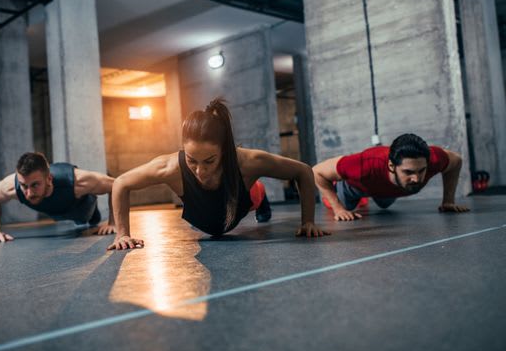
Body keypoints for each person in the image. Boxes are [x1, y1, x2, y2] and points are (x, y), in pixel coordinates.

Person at [107, 98, 330, 250]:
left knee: (253, 194)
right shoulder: (169, 167)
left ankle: (259, 196)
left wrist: (308, 221)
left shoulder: (249, 162)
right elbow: (121, 183)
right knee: (210, 222)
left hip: (241, 205)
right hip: (203, 219)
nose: (199, 170)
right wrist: (122, 234)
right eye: (192, 161)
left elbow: (303, 171)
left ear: (224, 150)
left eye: (209, 161)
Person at [312, 133, 470, 221]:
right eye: (408, 172)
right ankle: (345, 191)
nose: (416, 179)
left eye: (421, 171)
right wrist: (338, 208)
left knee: (384, 205)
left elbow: (456, 161)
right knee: (345, 204)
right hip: (355, 187)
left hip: (388, 190)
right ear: (391, 166)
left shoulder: (434, 159)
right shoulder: (364, 164)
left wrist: (448, 201)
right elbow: (316, 171)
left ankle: (372, 196)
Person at [0, 152, 115, 244]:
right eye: (24, 186)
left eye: (35, 185)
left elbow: (115, 185)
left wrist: (113, 223)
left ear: (49, 179)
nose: (28, 193)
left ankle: (93, 213)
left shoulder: (75, 180)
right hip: (56, 211)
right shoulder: (12, 186)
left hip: (82, 209)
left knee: (87, 220)